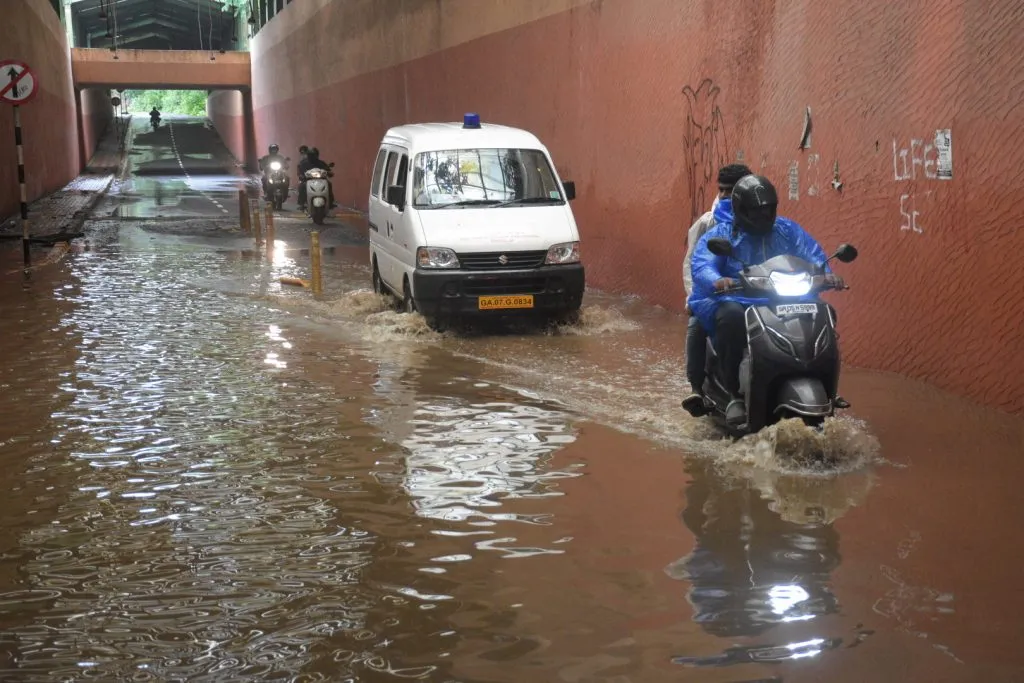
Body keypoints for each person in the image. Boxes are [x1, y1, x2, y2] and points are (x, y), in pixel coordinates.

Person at [688, 175, 843, 425]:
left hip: (778, 297)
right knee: (731, 317)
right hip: (736, 298)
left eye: (768, 210)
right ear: (742, 210)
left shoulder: (787, 230)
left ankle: (825, 383)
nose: (763, 216)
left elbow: (811, 252)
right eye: (757, 211)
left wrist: (825, 273)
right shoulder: (723, 234)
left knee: (824, 311)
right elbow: (703, 263)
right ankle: (733, 394)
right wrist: (717, 280)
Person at [681, 164, 752, 412]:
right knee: (697, 323)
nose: (723, 196)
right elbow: (691, 262)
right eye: (721, 190)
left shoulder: (761, 222)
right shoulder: (707, 223)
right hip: (714, 294)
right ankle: (696, 388)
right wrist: (693, 298)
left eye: (730, 191)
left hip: (756, 294)